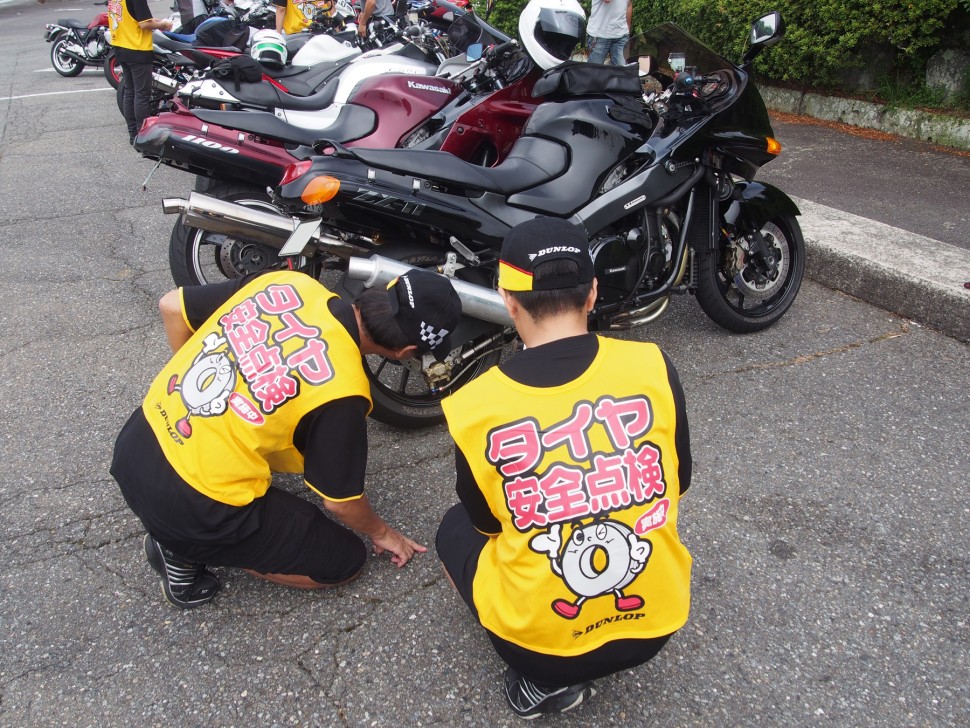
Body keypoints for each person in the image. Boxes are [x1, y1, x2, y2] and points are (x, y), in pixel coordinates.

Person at [435, 217, 692, 719]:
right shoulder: (652, 365)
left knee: (453, 528)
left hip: (541, 645)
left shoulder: (475, 404)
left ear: (507, 299)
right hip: (655, 625)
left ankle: (545, 683)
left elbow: (487, 525)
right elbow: (678, 481)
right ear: (593, 292)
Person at [111, 268, 462, 609]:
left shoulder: (290, 282)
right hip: (191, 505)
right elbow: (340, 501)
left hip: (138, 440)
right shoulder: (343, 390)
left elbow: (172, 305)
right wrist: (383, 533)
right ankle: (182, 550)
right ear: (404, 353)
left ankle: (185, 529)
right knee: (343, 562)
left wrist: (201, 405)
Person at [107, 0, 174, 144]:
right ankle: (144, 135)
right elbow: (144, 24)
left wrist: (153, 21)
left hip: (120, 46)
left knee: (130, 92)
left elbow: (132, 19)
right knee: (142, 94)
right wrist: (163, 25)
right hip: (137, 48)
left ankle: (133, 133)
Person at [585, 0, 631, 66]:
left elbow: (628, 4)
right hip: (599, 36)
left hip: (621, 35)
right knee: (594, 73)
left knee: (621, 73)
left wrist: (627, 29)